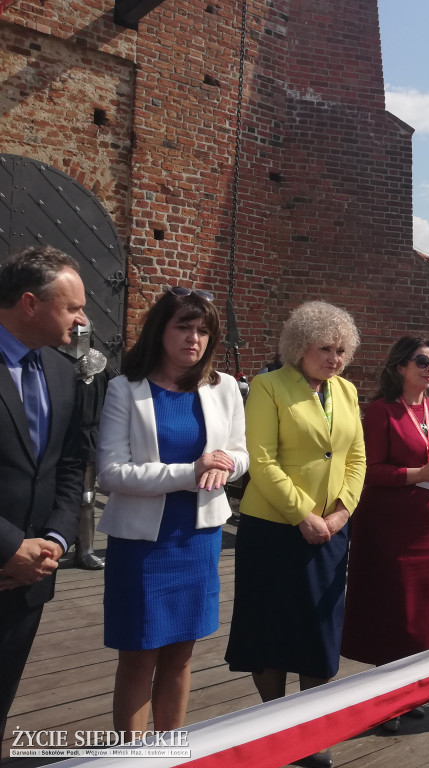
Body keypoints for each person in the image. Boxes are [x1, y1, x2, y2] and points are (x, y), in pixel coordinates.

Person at [96, 286, 248, 737]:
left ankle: (168, 752)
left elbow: (241, 454)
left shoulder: (224, 388)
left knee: (181, 655)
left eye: (203, 331)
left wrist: (225, 465)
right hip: (141, 544)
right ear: (160, 329)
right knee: (138, 655)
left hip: (197, 539)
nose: (193, 338)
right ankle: (130, 759)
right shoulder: (125, 389)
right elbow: (111, 473)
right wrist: (191, 471)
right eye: (184, 327)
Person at [225, 301, 364, 768]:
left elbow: (356, 457)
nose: (335, 358)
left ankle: (308, 731)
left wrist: (341, 513)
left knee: (318, 630)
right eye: (325, 348)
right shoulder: (268, 386)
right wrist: (304, 515)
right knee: (270, 628)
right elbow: (261, 460)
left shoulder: (347, 391)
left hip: (331, 532)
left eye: (341, 350)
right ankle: (273, 722)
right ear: (300, 346)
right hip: (273, 531)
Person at [342, 336, 429, 734]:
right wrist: (419, 473)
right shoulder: (382, 411)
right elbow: (371, 470)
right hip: (390, 526)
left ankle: (408, 693)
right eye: (422, 361)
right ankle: (384, 702)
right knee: (393, 610)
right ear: (400, 367)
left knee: (425, 612)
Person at [0, 246, 86, 742]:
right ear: (31, 304)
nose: (82, 320)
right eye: (72, 307)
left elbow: (70, 465)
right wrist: (10, 546)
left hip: (32, 579)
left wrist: (55, 538)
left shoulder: (61, 372)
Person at [57, 317, 110, 570]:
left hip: (88, 439)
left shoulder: (101, 365)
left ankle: (85, 550)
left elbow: (114, 400)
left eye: (83, 332)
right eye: (74, 331)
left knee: (87, 497)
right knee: (46, 493)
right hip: (57, 437)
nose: (78, 336)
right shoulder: (53, 361)